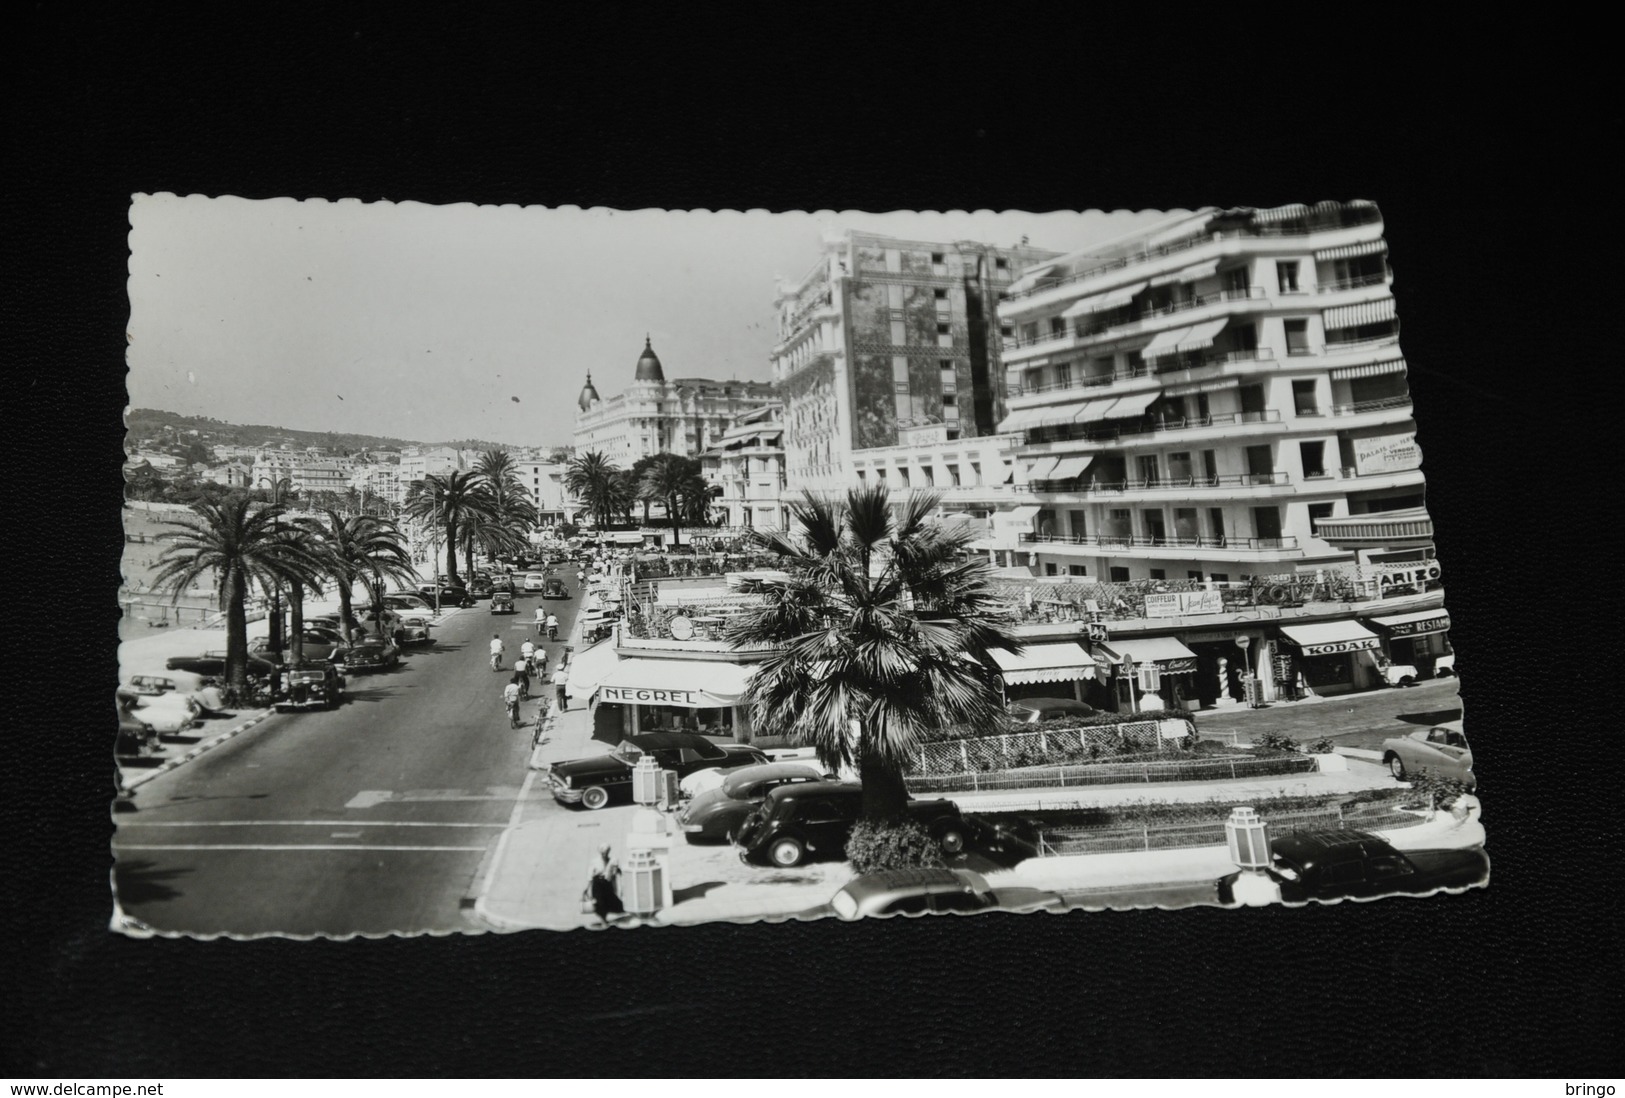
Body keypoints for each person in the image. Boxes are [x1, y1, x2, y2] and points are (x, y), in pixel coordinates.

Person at [586, 842, 623, 924]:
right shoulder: (594, 862)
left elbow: (617, 872)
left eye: (606, 852)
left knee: (609, 900)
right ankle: (604, 919)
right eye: (603, 852)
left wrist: (617, 870)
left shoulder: (612, 861)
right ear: (600, 852)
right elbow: (590, 876)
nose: (604, 854)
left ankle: (606, 917)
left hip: (607, 884)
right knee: (599, 902)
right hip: (597, 884)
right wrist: (587, 888)